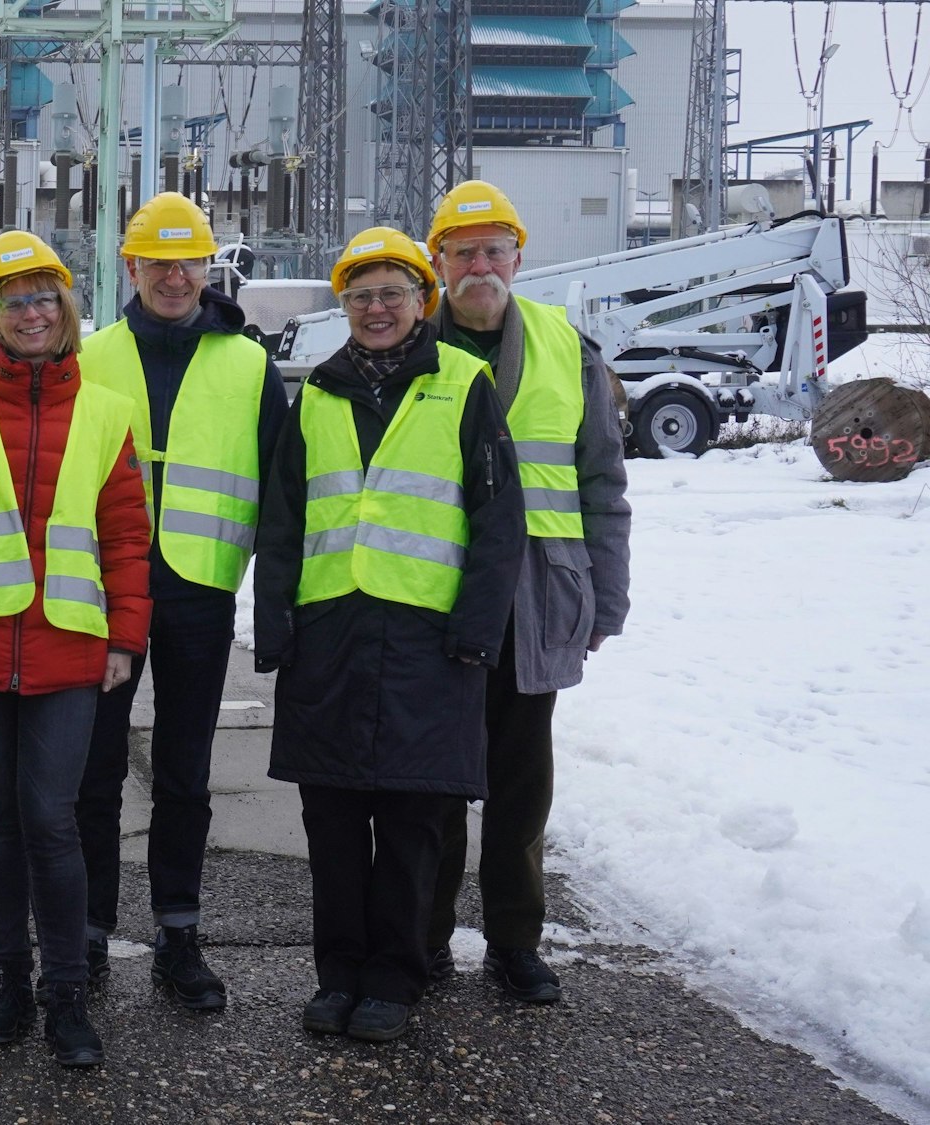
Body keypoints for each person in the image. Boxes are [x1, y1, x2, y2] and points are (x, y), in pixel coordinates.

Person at [250, 228, 523, 1042]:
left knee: (412, 826)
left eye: (392, 295)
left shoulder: (464, 385)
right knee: (332, 825)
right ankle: (337, 975)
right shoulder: (318, 394)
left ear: (420, 302)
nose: (377, 310)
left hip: (428, 646)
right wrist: (275, 625)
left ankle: (394, 978)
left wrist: (477, 632)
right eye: (362, 296)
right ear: (345, 307)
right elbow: (283, 520)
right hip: (329, 637)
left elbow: (499, 524)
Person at [0, 232, 152, 1068]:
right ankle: (7, 983)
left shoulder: (107, 411)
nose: (31, 313)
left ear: (66, 309)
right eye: (14, 301)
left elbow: (127, 537)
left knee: (51, 816)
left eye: (45, 297)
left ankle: (66, 994)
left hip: (71, 648)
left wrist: (125, 638)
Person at [74, 191, 288, 1010]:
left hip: (201, 586)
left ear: (209, 266)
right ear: (129, 265)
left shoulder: (248, 364)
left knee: (185, 774)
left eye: (187, 262)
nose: (173, 277)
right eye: (157, 263)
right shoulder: (90, 356)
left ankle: (179, 931)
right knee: (94, 772)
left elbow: (281, 492)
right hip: (103, 589)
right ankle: (89, 931)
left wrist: (275, 598)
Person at [421, 181, 632, 1004]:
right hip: (435, 592)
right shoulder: (412, 344)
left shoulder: (566, 349)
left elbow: (602, 483)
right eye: (462, 253)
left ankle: (515, 941)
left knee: (520, 783)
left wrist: (607, 599)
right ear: (438, 262)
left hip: (535, 597)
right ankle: (425, 937)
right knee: (433, 781)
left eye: (493, 251)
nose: (479, 267)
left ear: (517, 258)